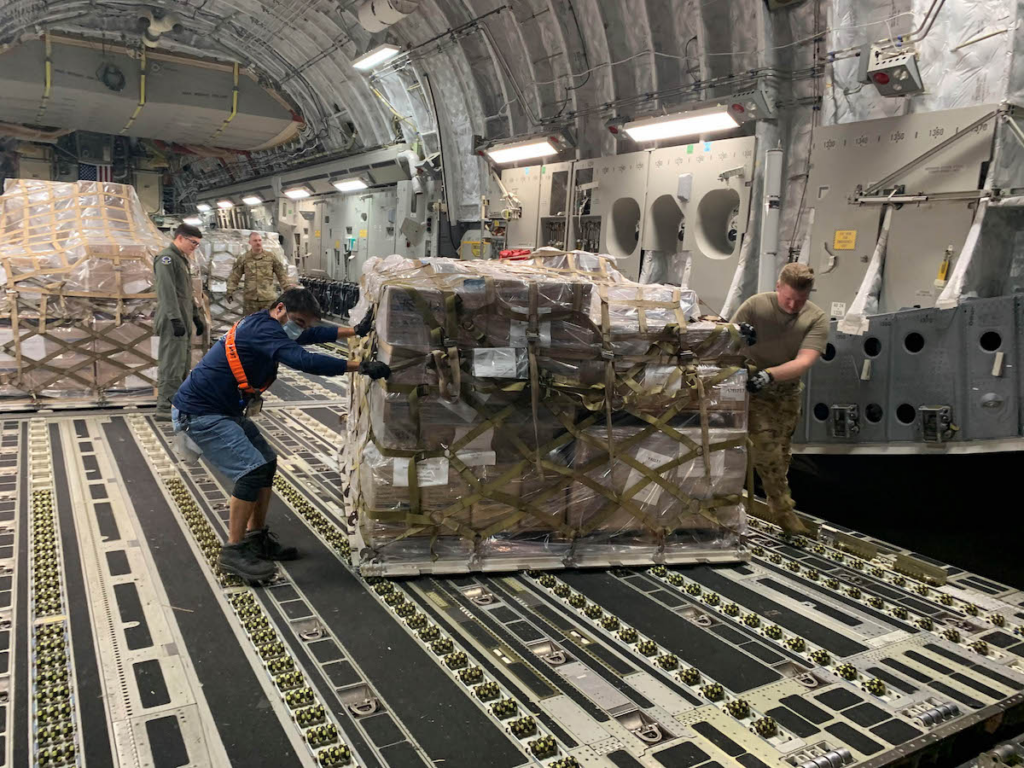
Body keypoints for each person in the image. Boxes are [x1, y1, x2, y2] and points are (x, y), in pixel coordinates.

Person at [171, 287, 390, 581]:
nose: (301, 329)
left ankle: (255, 538)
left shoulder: (269, 324)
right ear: (280, 309)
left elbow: (309, 336)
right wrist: (359, 366)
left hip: (224, 409)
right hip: (200, 413)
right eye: (298, 321)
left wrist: (354, 331)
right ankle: (233, 553)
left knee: (266, 461)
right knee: (251, 468)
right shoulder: (262, 330)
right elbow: (305, 360)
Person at [732, 263, 828, 535]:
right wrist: (737, 335)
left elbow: (803, 362)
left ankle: (770, 500)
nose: (793, 305)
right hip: (750, 389)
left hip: (785, 394)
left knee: (781, 453)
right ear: (777, 287)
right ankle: (783, 512)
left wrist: (769, 375)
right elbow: (726, 339)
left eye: (801, 300)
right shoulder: (755, 306)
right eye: (787, 298)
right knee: (767, 450)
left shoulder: (816, 318)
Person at [155, 224, 206, 421]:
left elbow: (186, 293)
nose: (195, 247)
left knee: (183, 363)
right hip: (172, 320)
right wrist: (175, 318)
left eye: (198, 244)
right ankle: (164, 407)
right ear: (180, 238)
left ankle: (178, 402)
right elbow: (166, 292)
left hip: (182, 318)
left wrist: (195, 316)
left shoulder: (181, 260)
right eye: (193, 242)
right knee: (171, 364)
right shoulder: (166, 259)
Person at [226, 231, 292, 316]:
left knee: (268, 324)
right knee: (250, 325)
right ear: (250, 242)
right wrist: (230, 290)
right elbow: (235, 275)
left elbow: (281, 274)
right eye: (255, 241)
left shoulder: (270, 257)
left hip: (268, 299)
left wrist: (287, 289)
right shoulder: (244, 258)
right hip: (250, 300)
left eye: (259, 240)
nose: (258, 243)